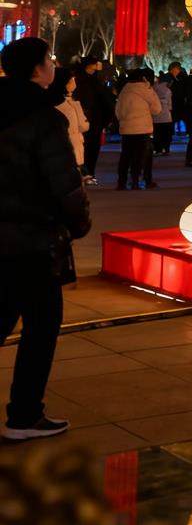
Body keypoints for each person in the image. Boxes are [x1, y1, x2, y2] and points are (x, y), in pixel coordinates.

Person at [0, 37, 92, 440]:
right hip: (33, 241)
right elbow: (64, 184)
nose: (54, 65)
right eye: (50, 60)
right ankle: (24, 416)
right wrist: (79, 223)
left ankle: (25, 414)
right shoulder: (43, 117)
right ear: (38, 69)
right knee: (41, 325)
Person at [115, 69, 161, 190]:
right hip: (143, 129)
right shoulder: (147, 90)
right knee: (142, 156)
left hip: (126, 129)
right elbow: (157, 109)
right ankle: (139, 181)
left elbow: (118, 112)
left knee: (125, 156)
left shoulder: (124, 91)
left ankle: (122, 182)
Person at [50, 68, 91, 187]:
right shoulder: (68, 105)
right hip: (72, 147)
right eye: (71, 80)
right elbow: (83, 126)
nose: (74, 82)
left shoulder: (53, 102)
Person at [72, 57, 109, 181]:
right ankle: (87, 173)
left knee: (86, 147)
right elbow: (102, 99)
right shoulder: (89, 81)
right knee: (89, 148)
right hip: (90, 118)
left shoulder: (83, 79)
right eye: (95, 65)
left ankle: (86, 173)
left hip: (88, 118)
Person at [151, 71, 174, 156]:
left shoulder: (153, 88)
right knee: (166, 134)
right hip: (166, 116)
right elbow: (169, 104)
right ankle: (166, 149)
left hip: (155, 115)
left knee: (157, 134)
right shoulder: (168, 91)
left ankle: (157, 149)